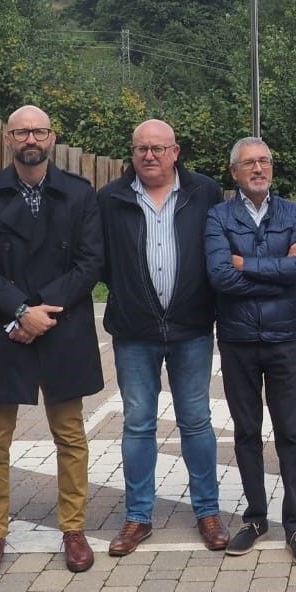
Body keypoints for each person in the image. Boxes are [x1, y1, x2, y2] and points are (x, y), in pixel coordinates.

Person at [0, 105, 105, 581]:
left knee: (70, 435)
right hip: (5, 327)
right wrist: (21, 311)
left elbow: (90, 263)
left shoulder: (81, 194)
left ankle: (74, 528)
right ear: (7, 138)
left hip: (61, 325)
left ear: (52, 137)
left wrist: (42, 310)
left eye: (39, 131)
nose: (31, 139)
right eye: (22, 131)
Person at [98, 118, 228, 556]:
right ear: (131, 154)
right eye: (141, 149)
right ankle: (138, 518)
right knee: (138, 424)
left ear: (176, 152)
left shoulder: (204, 192)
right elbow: (99, 262)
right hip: (134, 332)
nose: (149, 155)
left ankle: (207, 512)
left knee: (196, 421)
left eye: (158, 148)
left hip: (191, 328)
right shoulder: (110, 199)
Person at [204, 137, 296, 565]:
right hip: (237, 340)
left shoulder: (292, 212)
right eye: (249, 163)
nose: (258, 168)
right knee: (247, 431)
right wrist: (278, 268)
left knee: (291, 432)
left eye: (264, 161)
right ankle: (255, 518)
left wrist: (245, 264)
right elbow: (219, 276)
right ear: (234, 172)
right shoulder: (218, 215)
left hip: (284, 339)